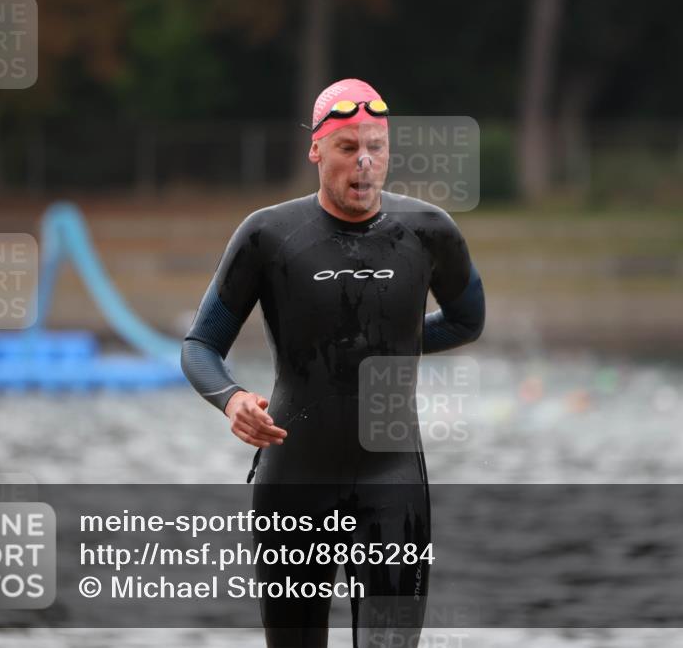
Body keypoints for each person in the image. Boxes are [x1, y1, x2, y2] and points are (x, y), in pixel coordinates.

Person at [181, 78, 485, 648]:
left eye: (376, 146)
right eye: (348, 147)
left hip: (393, 484)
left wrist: (388, 345)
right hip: (294, 482)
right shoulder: (268, 235)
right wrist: (232, 398)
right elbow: (200, 345)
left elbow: (468, 321)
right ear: (316, 150)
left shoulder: (429, 232)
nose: (364, 162)